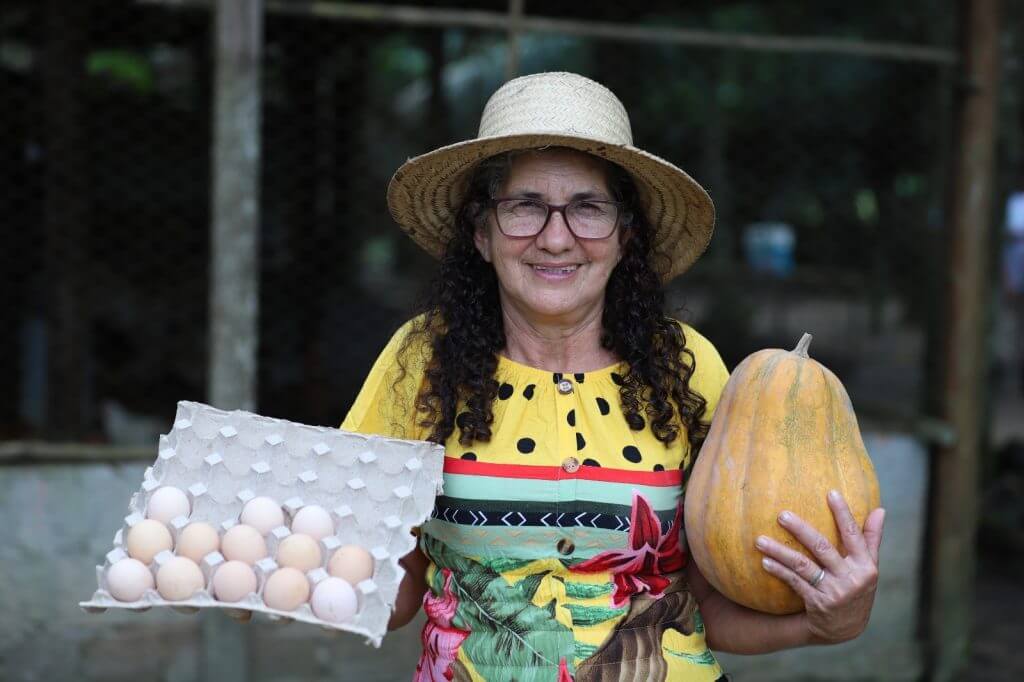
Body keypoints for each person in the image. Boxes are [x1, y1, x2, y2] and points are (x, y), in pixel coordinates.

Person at [342, 72, 885, 682]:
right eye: (525, 207)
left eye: (587, 208)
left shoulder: (688, 366)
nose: (555, 238)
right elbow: (390, 589)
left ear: (625, 234)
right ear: (481, 232)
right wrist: (288, 577)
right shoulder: (422, 361)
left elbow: (704, 606)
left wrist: (824, 622)